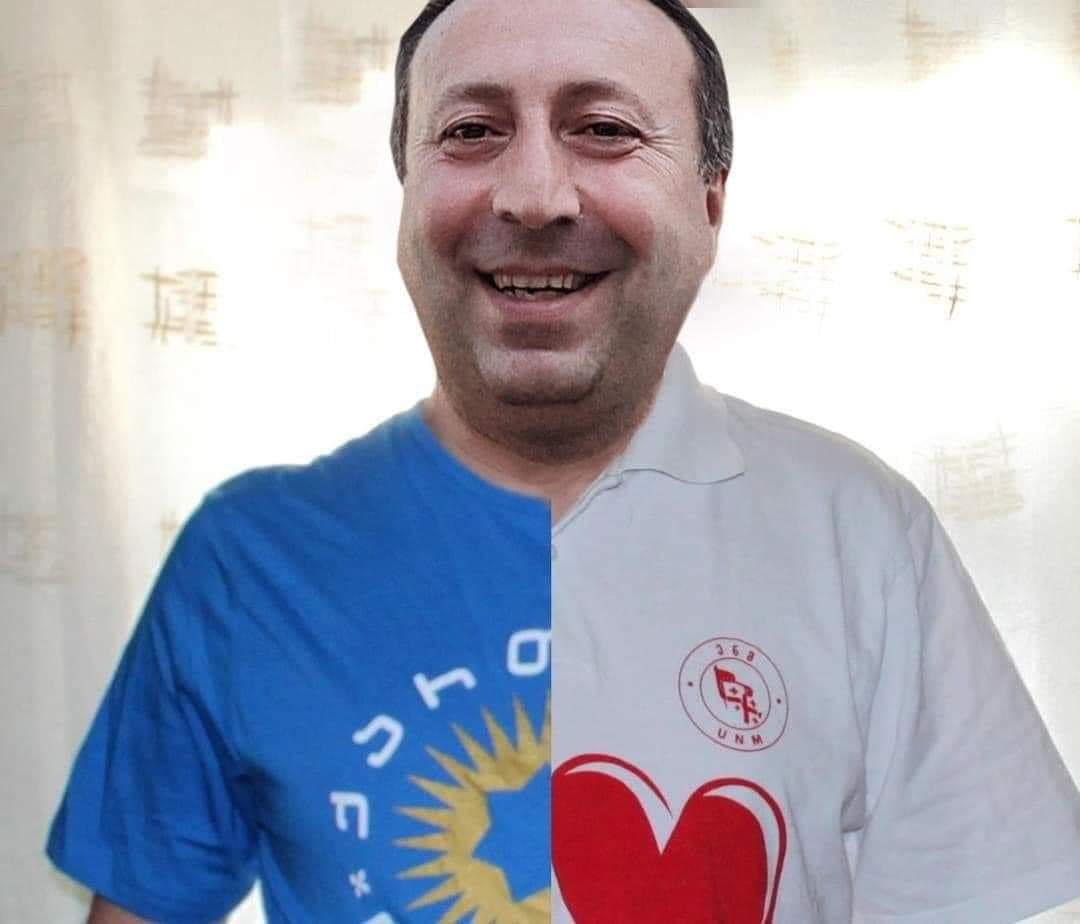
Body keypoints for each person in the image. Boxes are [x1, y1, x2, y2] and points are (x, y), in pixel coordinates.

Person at [46, 0, 1080, 921]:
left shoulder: (858, 527)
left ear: (711, 202)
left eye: (605, 129)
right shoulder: (249, 558)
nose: (535, 195)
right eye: (471, 131)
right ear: (404, 195)